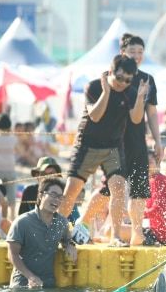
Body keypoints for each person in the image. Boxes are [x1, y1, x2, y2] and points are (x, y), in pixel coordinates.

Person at [76, 34, 162, 246]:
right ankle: (83, 221)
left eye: (140, 52)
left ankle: (136, 233)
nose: (137, 56)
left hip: (138, 140)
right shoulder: (112, 77)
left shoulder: (148, 79)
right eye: (132, 52)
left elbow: (151, 114)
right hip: (116, 141)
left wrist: (158, 141)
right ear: (122, 53)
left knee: (140, 188)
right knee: (110, 188)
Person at [58, 54, 148, 247]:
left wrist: (140, 97)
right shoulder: (94, 86)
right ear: (111, 71)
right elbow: (95, 116)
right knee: (72, 189)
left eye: (128, 80)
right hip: (87, 145)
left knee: (119, 187)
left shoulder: (130, 92)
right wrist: (106, 92)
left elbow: (136, 118)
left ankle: (115, 236)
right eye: (120, 78)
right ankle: (53, 230)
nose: (123, 83)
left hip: (113, 147)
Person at [6, 178, 77, 288]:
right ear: (40, 195)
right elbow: (12, 255)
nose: (57, 200)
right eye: (53, 195)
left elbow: (67, 239)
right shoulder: (22, 222)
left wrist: (70, 245)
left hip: (48, 286)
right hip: (21, 287)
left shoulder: (61, 222)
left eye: (60, 197)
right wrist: (31, 277)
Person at [0, 113, 17, 221]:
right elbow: (20, 151)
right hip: (10, 170)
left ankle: (1, 219)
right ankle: (12, 219)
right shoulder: (13, 139)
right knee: (11, 199)